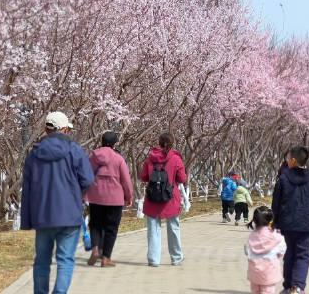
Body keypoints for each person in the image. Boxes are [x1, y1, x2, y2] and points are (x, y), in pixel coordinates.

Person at [21, 111, 94, 294]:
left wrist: (27, 219)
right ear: (63, 129)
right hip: (69, 215)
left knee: (42, 260)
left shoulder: (34, 154)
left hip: (43, 215)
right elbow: (87, 179)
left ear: (46, 129)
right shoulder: (75, 151)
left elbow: (27, 189)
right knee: (66, 260)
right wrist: (75, 193)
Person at [272, 146, 309, 294]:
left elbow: (275, 203)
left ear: (293, 161)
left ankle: (288, 286)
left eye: (287, 158)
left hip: (287, 224)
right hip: (307, 225)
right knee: (303, 255)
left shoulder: (283, 178)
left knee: (289, 254)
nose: (286, 161)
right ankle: (298, 287)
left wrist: (274, 223)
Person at [85, 131, 133, 268]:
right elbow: (126, 180)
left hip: (95, 196)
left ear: (101, 140)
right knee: (111, 228)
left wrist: (84, 194)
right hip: (114, 198)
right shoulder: (118, 159)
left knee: (95, 224)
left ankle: (95, 248)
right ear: (114, 143)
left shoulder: (92, 156)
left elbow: (85, 175)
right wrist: (128, 197)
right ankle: (106, 258)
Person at [139, 133, 188, 267]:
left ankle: (154, 260)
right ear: (172, 143)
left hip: (152, 198)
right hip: (170, 198)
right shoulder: (176, 159)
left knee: (153, 229)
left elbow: (143, 176)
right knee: (173, 228)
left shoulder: (150, 158)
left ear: (159, 143)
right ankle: (176, 258)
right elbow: (182, 179)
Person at [245, 206, 286, 294]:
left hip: (254, 273)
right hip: (269, 272)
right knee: (268, 291)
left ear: (255, 220)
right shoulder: (276, 237)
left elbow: (246, 251)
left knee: (255, 291)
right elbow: (282, 250)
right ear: (271, 220)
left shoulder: (252, 236)